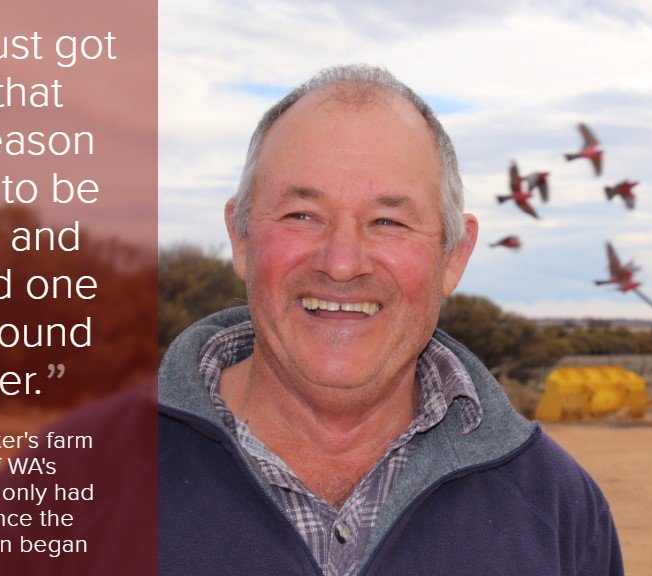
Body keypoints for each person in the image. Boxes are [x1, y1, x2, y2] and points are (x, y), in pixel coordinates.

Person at [159, 65, 624, 576]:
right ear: (241, 238)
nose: (341, 262)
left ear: (453, 256)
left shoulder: (559, 508)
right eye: (302, 215)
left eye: (388, 222)